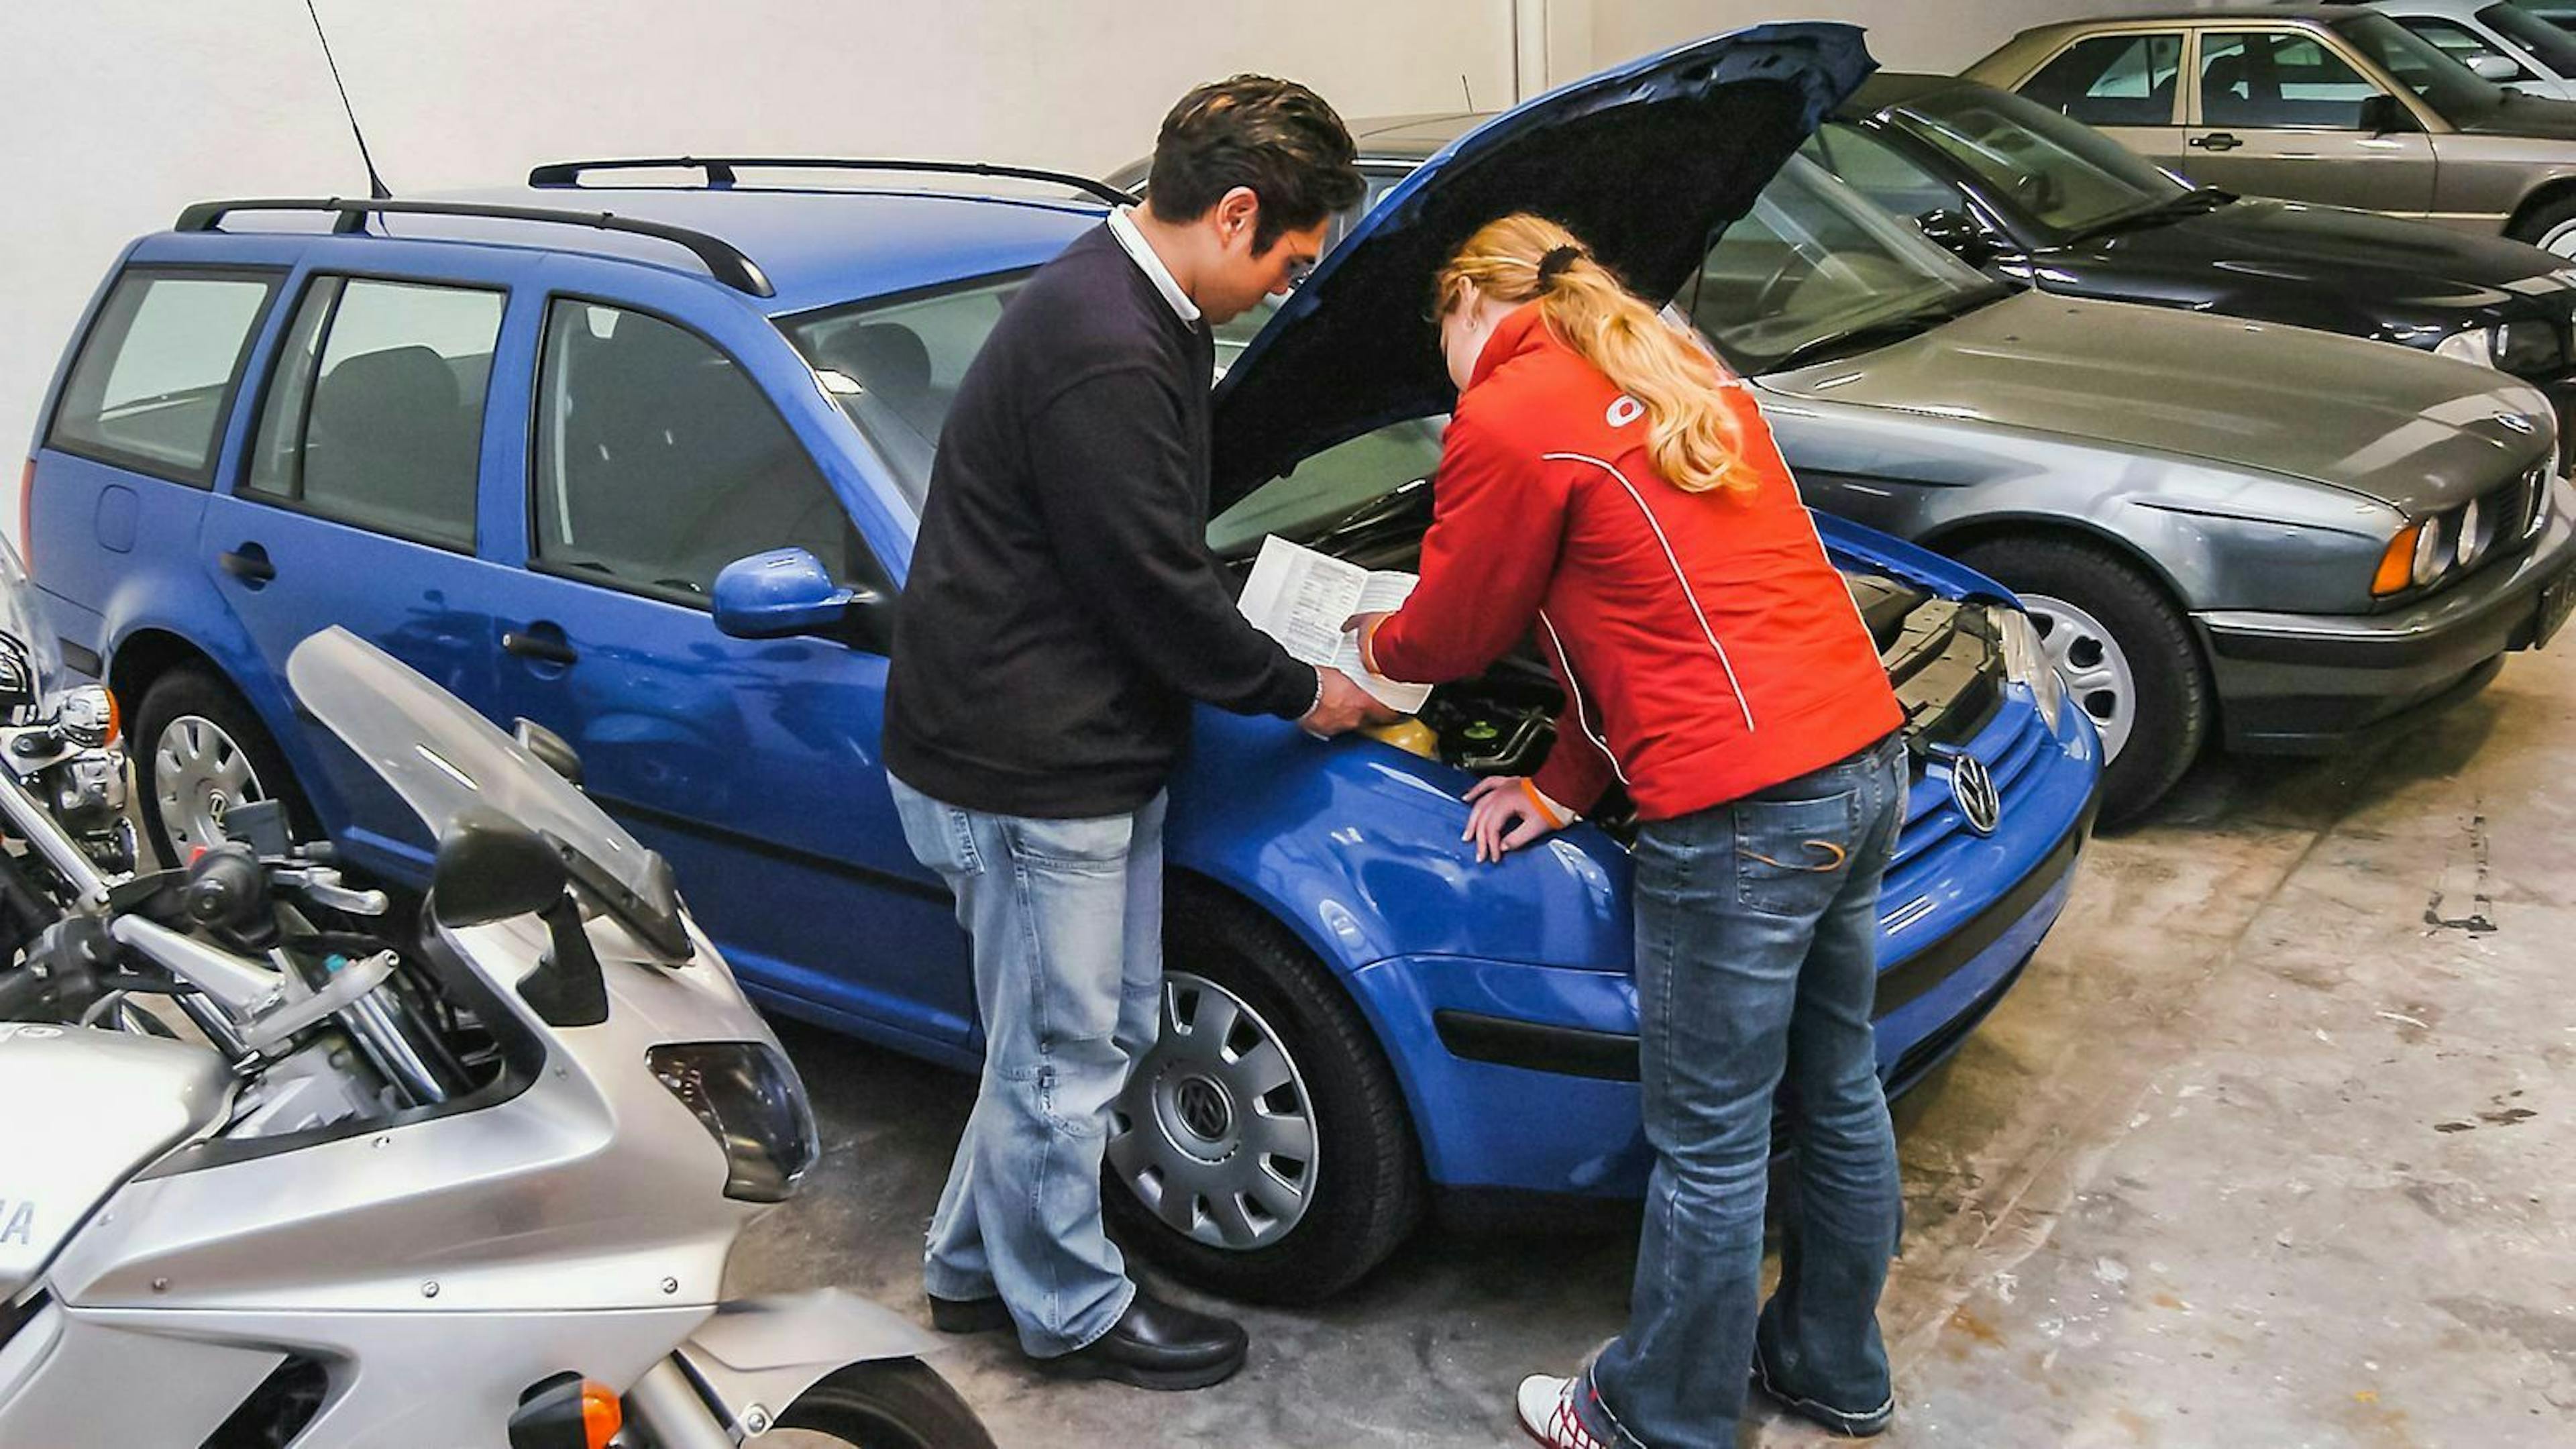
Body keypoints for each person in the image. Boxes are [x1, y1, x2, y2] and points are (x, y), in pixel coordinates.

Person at [1346, 215, 1911, 1447]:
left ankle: (1658, 1417)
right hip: (1863, 756)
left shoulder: (1503, 415)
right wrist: (1561, 783)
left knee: (1709, 1143)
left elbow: (1449, 636)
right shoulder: (1676, 364)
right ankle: (1832, 1365)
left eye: (1433, 327)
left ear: (1463, 303)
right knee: (1837, 1088)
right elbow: (1647, 620)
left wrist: (1363, 648)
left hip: (1744, 808)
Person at [879, 76, 1383, 1391]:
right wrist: (1300, 687)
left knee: (1072, 1033)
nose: (1288, 287)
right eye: (1289, 256)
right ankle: (1072, 1311)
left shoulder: (1133, 310)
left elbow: (1143, 551)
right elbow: (1152, 586)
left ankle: (973, 1266)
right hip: (1030, 768)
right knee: (1068, 1054)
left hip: (1069, 744)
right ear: (1230, 214)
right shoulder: (1106, 344)